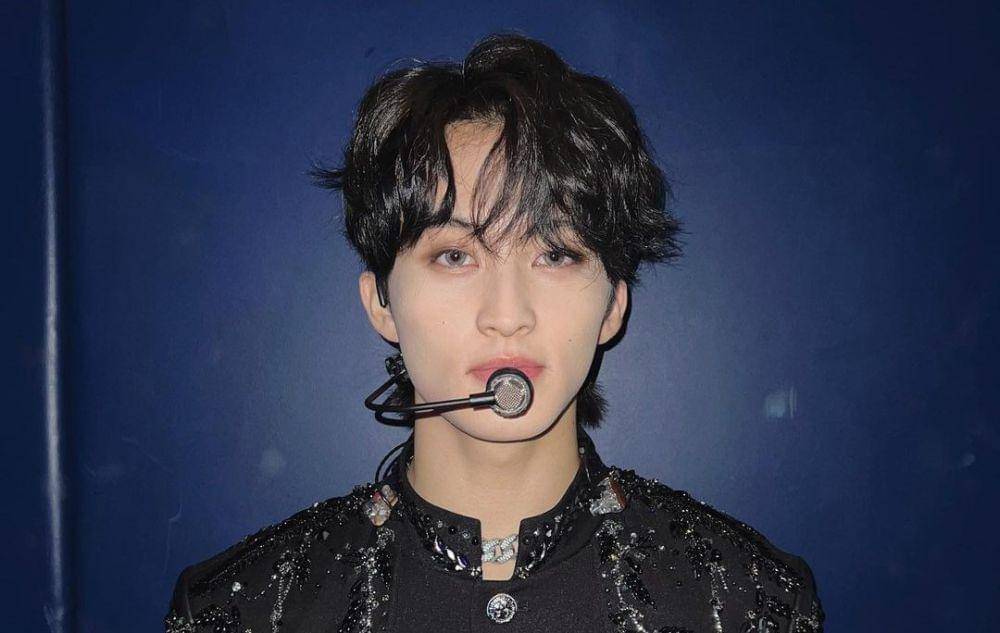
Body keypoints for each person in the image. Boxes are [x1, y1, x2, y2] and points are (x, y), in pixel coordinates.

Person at [164, 32, 824, 632]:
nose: (507, 314)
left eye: (556, 254)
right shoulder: (243, 610)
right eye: (455, 255)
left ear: (614, 305)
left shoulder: (749, 601)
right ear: (381, 302)